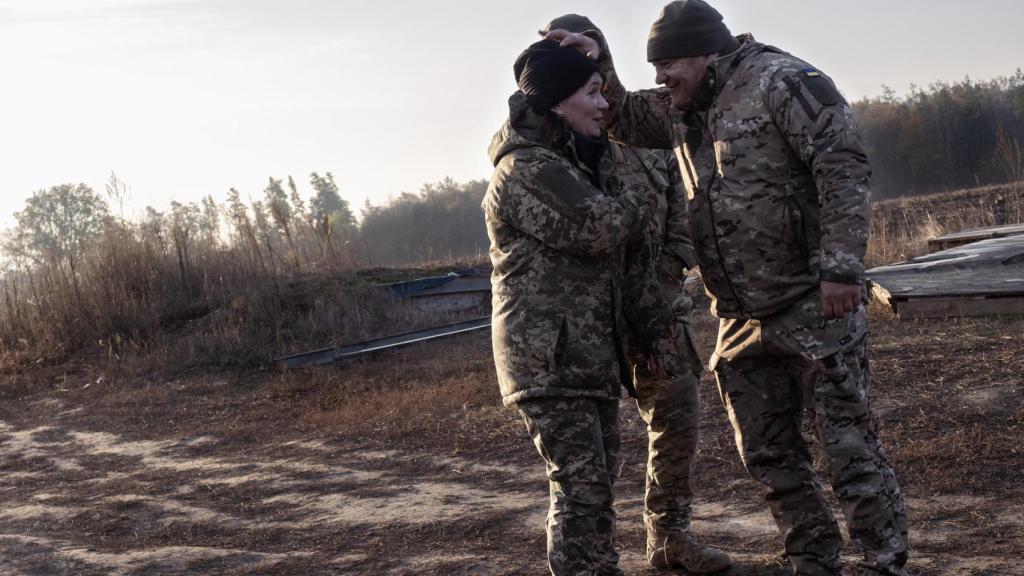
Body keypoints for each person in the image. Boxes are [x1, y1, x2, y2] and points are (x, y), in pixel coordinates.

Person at [548, 2, 910, 575]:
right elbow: (618, 114)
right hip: (741, 320)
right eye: (654, 66)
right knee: (770, 457)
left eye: (668, 63)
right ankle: (813, 561)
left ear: (706, 51)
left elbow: (842, 164)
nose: (661, 77)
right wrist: (595, 52)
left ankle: (883, 564)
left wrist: (840, 268)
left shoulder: (782, 80)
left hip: (812, 305)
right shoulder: (682, 105)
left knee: (849, 453)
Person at [534, 13, 732, 575]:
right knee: (590, 453)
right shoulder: (549, 135)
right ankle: (595, 559)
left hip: (653, 302)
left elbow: (682, 204)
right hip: (589, 314)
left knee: (677, 411)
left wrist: (670, 268)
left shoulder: (639, 122)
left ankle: (669, 534)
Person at [483, 38, 668, 576]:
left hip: (580, 355)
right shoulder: (527, 170)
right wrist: (642, 191)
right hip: (549, 359)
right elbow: (602, 229)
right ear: (560, 101)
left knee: (595, 485)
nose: (606, 104)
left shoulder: (569, 161)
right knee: (581, 489)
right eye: (593, 92)